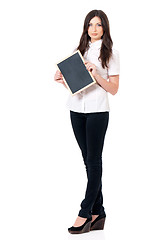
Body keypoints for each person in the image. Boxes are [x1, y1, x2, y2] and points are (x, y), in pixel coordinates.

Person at [54, 9, 120, 234]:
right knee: (88, 161)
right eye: (90, 24)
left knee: (93, 161)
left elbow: (114, 89)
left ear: (105, 28)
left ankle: (85, 212)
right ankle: (98, 212)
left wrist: (97, 74)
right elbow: (76, 88)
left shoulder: (111, 52)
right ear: (85, 27)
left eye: (98, 25)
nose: (94, 29)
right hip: (76, 110)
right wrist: (62, 80)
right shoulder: (78, 51)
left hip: (97, 112)